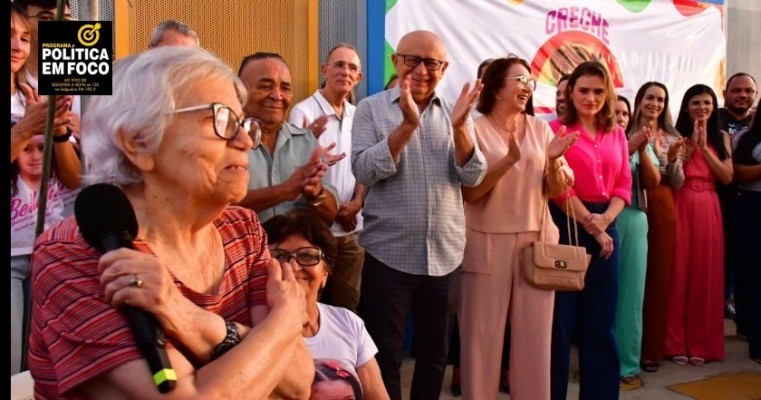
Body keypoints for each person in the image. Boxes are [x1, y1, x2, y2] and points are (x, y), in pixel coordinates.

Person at [27, 46, 314, 399]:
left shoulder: (242, 229)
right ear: (138, 142)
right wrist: (283, 324)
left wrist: (187, 316)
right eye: (222, 119)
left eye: (242, 124)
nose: (244, 141)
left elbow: (300, 381)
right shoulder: (78, 253)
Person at [351, 30, 487, 400]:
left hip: (445, 258)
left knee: (434, 356)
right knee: (384, 355)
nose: (423, 70)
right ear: (396, 61)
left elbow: (473, 175)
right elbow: (364, 171)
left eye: (433, 63)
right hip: (388, 254)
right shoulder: (371, 109)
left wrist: (460, 128)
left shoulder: (456, 113)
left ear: (443, 68)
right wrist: (407, 126)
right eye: (413, 59)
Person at [459, 55, 577, 400]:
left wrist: (554, 160)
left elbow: (557, 189)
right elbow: (470, 189)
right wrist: (508, 160)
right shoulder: (473, 129)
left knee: (534, 341)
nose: (527, 87)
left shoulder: (541, 129)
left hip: (536, 242)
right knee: (480, 339)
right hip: (484, 242)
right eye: (520, 80)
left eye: (530, 82)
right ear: (497, 87)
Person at [548, 61, 632, 400]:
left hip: (607, 227)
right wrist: (592, 225)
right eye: (583, 90)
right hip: (566, 224)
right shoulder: (554, 129)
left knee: (600, 322)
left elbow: (624, 183)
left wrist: (606, 221)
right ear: (570, 92)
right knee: (560, 324)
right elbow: (556, 189)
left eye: (599, 91)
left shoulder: (616, 134)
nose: (591, 97)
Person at [10, 3, 80, 376]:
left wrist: (59, 133)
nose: (17, 45)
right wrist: (23, 130)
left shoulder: (36, 92)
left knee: (46, 363)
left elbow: (72, 178)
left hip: (47, 247)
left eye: (23, 36)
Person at [262, 208, 390, 400]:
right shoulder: (253, 333)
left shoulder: (348, 322)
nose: (293, 267)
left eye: (307, 255)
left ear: (325, 274)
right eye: (278, 256)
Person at [288, 43, 367, 313]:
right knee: (309, 304)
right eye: (339, 64)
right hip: (315, 229)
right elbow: (296, 170)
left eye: (352, 67)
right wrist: (333, 211)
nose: (345, 71)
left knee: (348, 306)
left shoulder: (361, 115)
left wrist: (356, 202)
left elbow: (364, 164)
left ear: (359, 78)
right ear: (325, 70)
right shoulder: (304, 112)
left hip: (352, 228)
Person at [665, 84, 732, 367]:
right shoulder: (675, 136)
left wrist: (705, 149)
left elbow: (727, 177)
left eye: (707, 102)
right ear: (686, 107)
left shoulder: (723, 137)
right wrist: (691, 146)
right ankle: (674, 341)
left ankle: (703, 343)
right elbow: (673, 175)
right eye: (695, 103)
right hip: (681, 201)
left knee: (706, 273)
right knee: (678, 272)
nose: (701, 108)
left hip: (708, 205)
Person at [236, 52, 341, 224]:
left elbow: (330, 215)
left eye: (285, 88)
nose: (277, 96)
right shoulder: (224, 142)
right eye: (265, 86)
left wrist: (316, 192)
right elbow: (215, 208)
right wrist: (285, 190)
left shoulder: (307, 142)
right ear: (240, 91)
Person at [627, 81, 684, 373]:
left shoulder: (673, 136)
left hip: (662, 204)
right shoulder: (624, 128)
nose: (655, 103)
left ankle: (651, 350)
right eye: (650, 97)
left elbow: (677, 182)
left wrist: (673, 157)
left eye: (661, 99)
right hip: (628, 203)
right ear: (639, 100)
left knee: (658, 279)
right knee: (628, 280)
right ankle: (625, 348)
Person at [615, 94, 661, 390]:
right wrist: (624, 149)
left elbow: (654, 182)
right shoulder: (593, 140)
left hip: (632, 218)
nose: (619, 117)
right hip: (598, 219)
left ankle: (627, 363)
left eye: (623, 113)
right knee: (600, 296)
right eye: (614, 112)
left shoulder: (639, 144)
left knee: (631, 296)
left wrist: (640, 151)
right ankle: (597, 360)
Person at [717, 73, 756, 324]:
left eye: (749, 91)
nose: (743, 95)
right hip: (717, 197)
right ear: (725, 93)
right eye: (737, 90)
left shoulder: (757, 122)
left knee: (746, 255)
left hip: (749, 201)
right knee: (720, 253)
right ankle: (723, 299)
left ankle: (742, 309)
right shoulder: (715, 118)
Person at [731, 98, 761, 364]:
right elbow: (737, 173)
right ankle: (757, 342)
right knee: (753, 276)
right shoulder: (747, 139)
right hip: (753, 208)